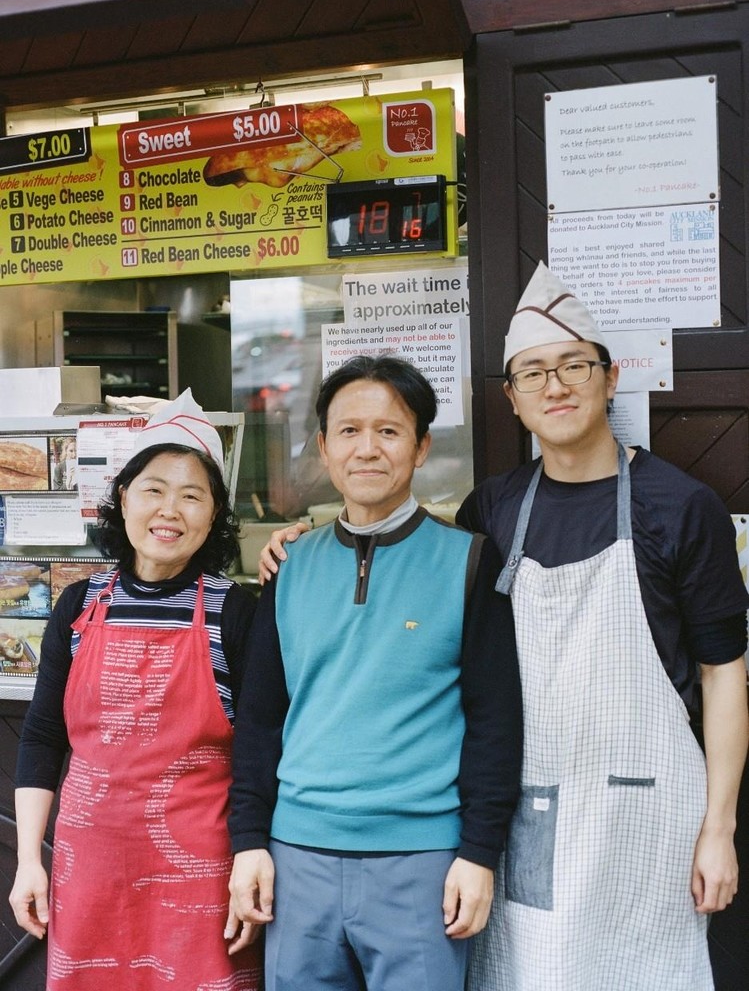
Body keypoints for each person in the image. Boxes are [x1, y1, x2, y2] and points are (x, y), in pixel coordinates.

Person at [259, 265, 749, 990]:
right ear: (512, 401)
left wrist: (718, 827)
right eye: (532, 374)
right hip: (528, 808)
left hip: (646, 814)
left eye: (572, 366)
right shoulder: (493, 508)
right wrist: (299, 541)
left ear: (608, 379)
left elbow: (723, 673)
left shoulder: (679, 507)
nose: (555, 386)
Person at [228, 355, 523, 991]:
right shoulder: (287, 568)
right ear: (325, 449)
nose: (368, 449)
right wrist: (248, 840)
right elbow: (259, 720)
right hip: (296, 858)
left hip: (422, 863)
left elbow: (496, 722)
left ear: (420, 448)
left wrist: (478, 853)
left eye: (389, 431)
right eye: (349, 431)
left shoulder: (469, 561)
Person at [9, 389, 263, 991]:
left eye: (192, 495)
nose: (169, 510)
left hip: (200, 867)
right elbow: (43, 737)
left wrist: (251, 860)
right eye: (154, 489)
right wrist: (26, 861)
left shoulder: (236, 611)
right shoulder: (79, 603)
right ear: (123, 498)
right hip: (88, 863)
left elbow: (261, 748)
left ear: (213, 515)